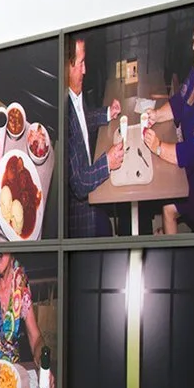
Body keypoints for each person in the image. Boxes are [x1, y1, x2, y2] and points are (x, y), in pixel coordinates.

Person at [145, 8, 194, 233]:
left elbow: (192, 151)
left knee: (167, 208)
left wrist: (157, 147)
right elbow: (179, 102)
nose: (193, 46)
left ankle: (171, 247)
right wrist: (156, 115)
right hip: (186, 157)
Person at [63, 34, 125, 237]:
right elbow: (80, 184)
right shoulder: (62, 114)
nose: (85, 70)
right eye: (80, 63)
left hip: (91, 193)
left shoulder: (73, 93)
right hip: (81, 215)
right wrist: (108, 161)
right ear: (66, 68)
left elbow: (83, 120)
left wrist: (107, 113)